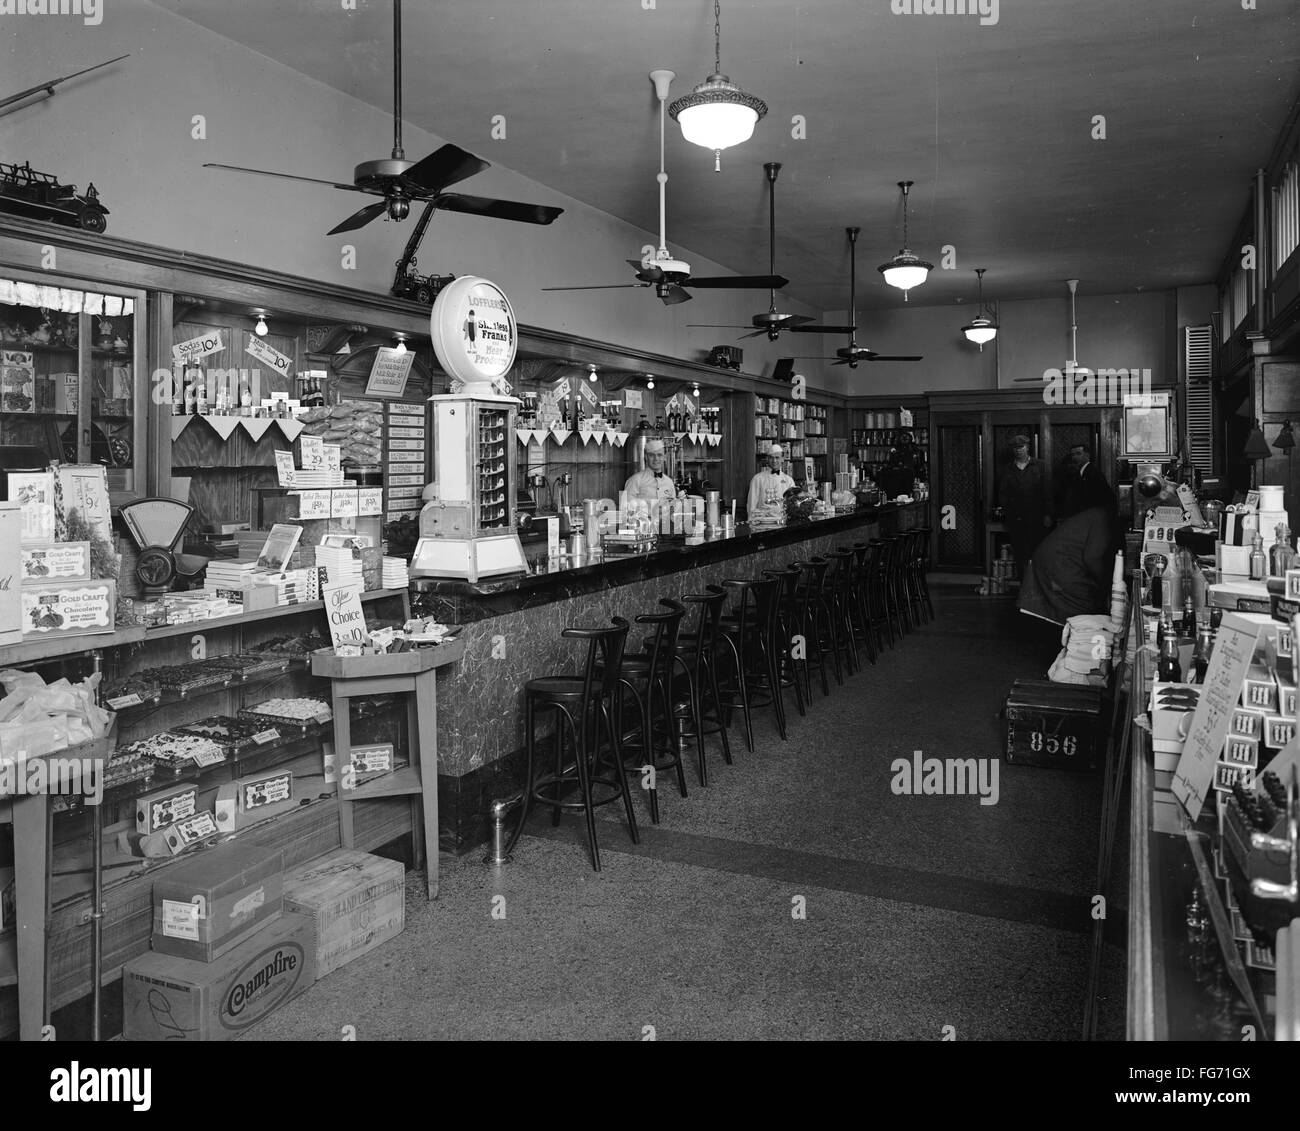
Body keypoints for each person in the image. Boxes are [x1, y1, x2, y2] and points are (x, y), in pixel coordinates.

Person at [1018, 506, 1115, 626]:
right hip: (1058, 562)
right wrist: (1106, 584)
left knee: (1085, 606)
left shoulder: (1097, 516)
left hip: (1053, 559)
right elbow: (1093, 558)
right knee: (1085, 608)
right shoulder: (1102, 517)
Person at [994, 435, 1053, 581]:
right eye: (1015, 448)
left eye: (1021, 447)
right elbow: (1003, 495)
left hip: (1037, 518)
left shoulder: (1041, 466)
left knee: (1039, 552)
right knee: (1021, 554)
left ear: (1028, 447)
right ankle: (1024, 587)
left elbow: (1048, 492)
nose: (1019, 450)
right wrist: (1009, 514)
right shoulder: (1007, 470)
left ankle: (1040, 585)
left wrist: (1048, 515)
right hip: (1016, 519)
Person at [747, 443, 795, 518]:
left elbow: (792, 505)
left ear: (782, 459)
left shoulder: (789, 480)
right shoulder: (757, 479)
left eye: (777, 457)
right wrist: (752, 524)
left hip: (783, 522)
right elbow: (751, 506)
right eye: (771, 458)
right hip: (762, 524)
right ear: (767, 459)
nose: (774, 461)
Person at [624, 436, 676, 503]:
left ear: (664, 457)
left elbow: (672, 508)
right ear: (646, 457)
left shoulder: (669, 482)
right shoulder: (635, 480)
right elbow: (626, 507)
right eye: (651, 455)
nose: (656, 459)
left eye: (659, 455)